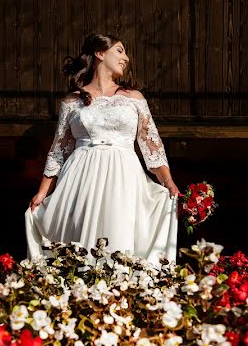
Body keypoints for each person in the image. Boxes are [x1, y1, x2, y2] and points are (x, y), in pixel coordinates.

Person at [24, 33, 179, 265]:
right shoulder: (72, 100)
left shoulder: (134, 98)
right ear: (100, 53)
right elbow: (59, 149)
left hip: (123, 172)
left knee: (119, 227)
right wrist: (42, 192)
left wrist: (168, 183)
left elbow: (151, 145)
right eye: (120, 50)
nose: (126, 58)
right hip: (81, 173)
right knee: (80, 236)